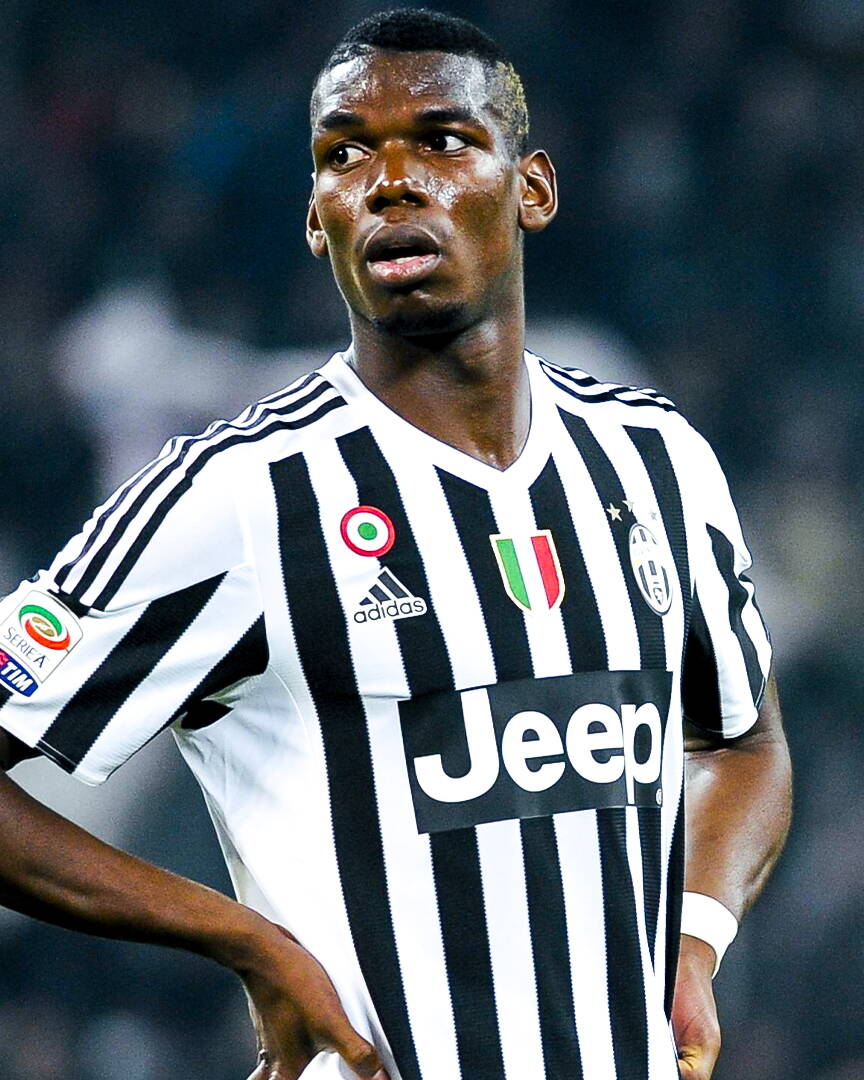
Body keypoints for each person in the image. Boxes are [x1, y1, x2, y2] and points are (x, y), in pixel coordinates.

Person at [0, 9, 791, 1080]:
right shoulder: (242, 497)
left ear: (533, 188)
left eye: (443, 141)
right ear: (316, 220)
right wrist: (244, 941)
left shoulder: (655, 460)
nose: (390, 182)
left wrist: (695, 939)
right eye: (345, 155)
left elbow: (743, 741)